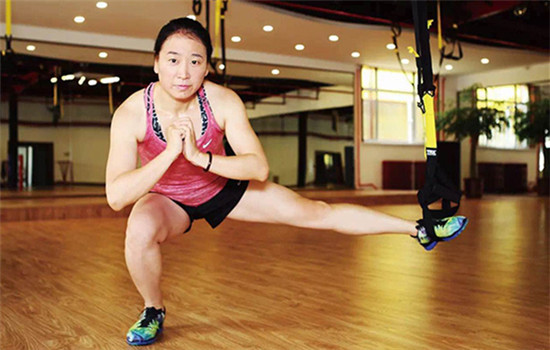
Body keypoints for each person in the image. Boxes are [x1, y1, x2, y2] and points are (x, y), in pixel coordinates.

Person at [105, 17, 468, 346]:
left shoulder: (222, 101)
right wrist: (171, 153)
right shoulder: (132, 113)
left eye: (195, 61)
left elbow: (258, 167)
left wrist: (201, 158)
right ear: (155, 63)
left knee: (317, 211)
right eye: (172, 60)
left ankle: (420, 228)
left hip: (221, 184)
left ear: (206, 68)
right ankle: (154, 310)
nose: (183, 72)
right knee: (138, 230)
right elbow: (116, 196)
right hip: (168, 198)